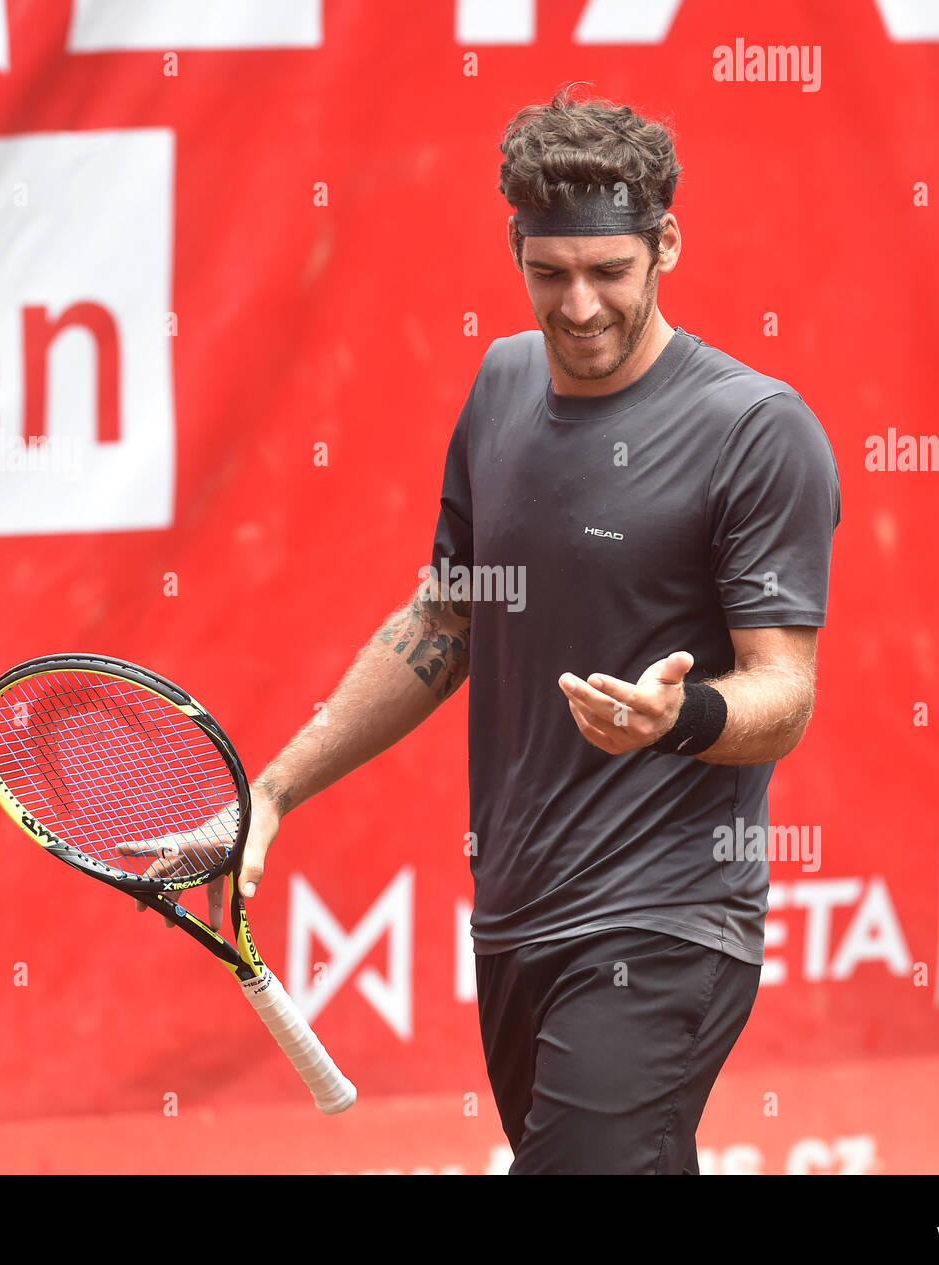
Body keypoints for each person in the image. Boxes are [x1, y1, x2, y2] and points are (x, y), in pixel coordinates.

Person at [167, 86, 841, 1174]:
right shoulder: (500, 384)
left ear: (666, 241)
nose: (577, 306)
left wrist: (681, 715)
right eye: (550, 272)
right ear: (517, 249)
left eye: (610, 271)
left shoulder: (757, 430)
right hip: (519, 919)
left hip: (664, 922)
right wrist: (273, 792)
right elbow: (447, 618)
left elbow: (785, 694)